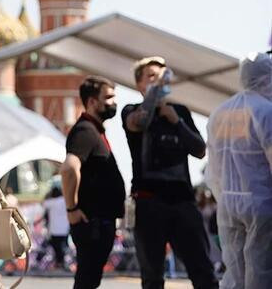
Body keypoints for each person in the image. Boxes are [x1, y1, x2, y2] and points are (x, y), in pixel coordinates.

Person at [122, 56, 217, 289]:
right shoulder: (131, 111)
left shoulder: (180, 112)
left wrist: (177, 123)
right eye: (152, 77)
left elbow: (200, 150)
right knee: (153, 275)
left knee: (202, 269)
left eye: (163, 76)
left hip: (182, 202)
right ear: (139, 85)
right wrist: (155, 96)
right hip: (148, 203)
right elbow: (139, 123)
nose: (159, 81)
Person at [206, 51, 272, 289]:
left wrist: (221, 196)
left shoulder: (219, 114)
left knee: (234, 272)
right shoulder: (266, 111)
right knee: (260, 271)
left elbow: (212, 167)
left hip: (228, 204)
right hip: (261, 204)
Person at [60, 76, 126, 289]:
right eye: (108, 97)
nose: (113, 102)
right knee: (87, 280)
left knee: (89, 280)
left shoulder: (94, 130)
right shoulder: (85, 131)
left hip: (99, 222)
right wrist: (72, 209)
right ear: (91, 101)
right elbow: (70, 167)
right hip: (92, 223)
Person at [42, 186, 70, 270]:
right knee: (64, 246)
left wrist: (48, 195)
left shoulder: (51, 202)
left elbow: (43, 203)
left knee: (56, 247)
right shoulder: (65, 201)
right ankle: (63, 262)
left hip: (54, 230)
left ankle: (59, 262)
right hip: (65, 229)